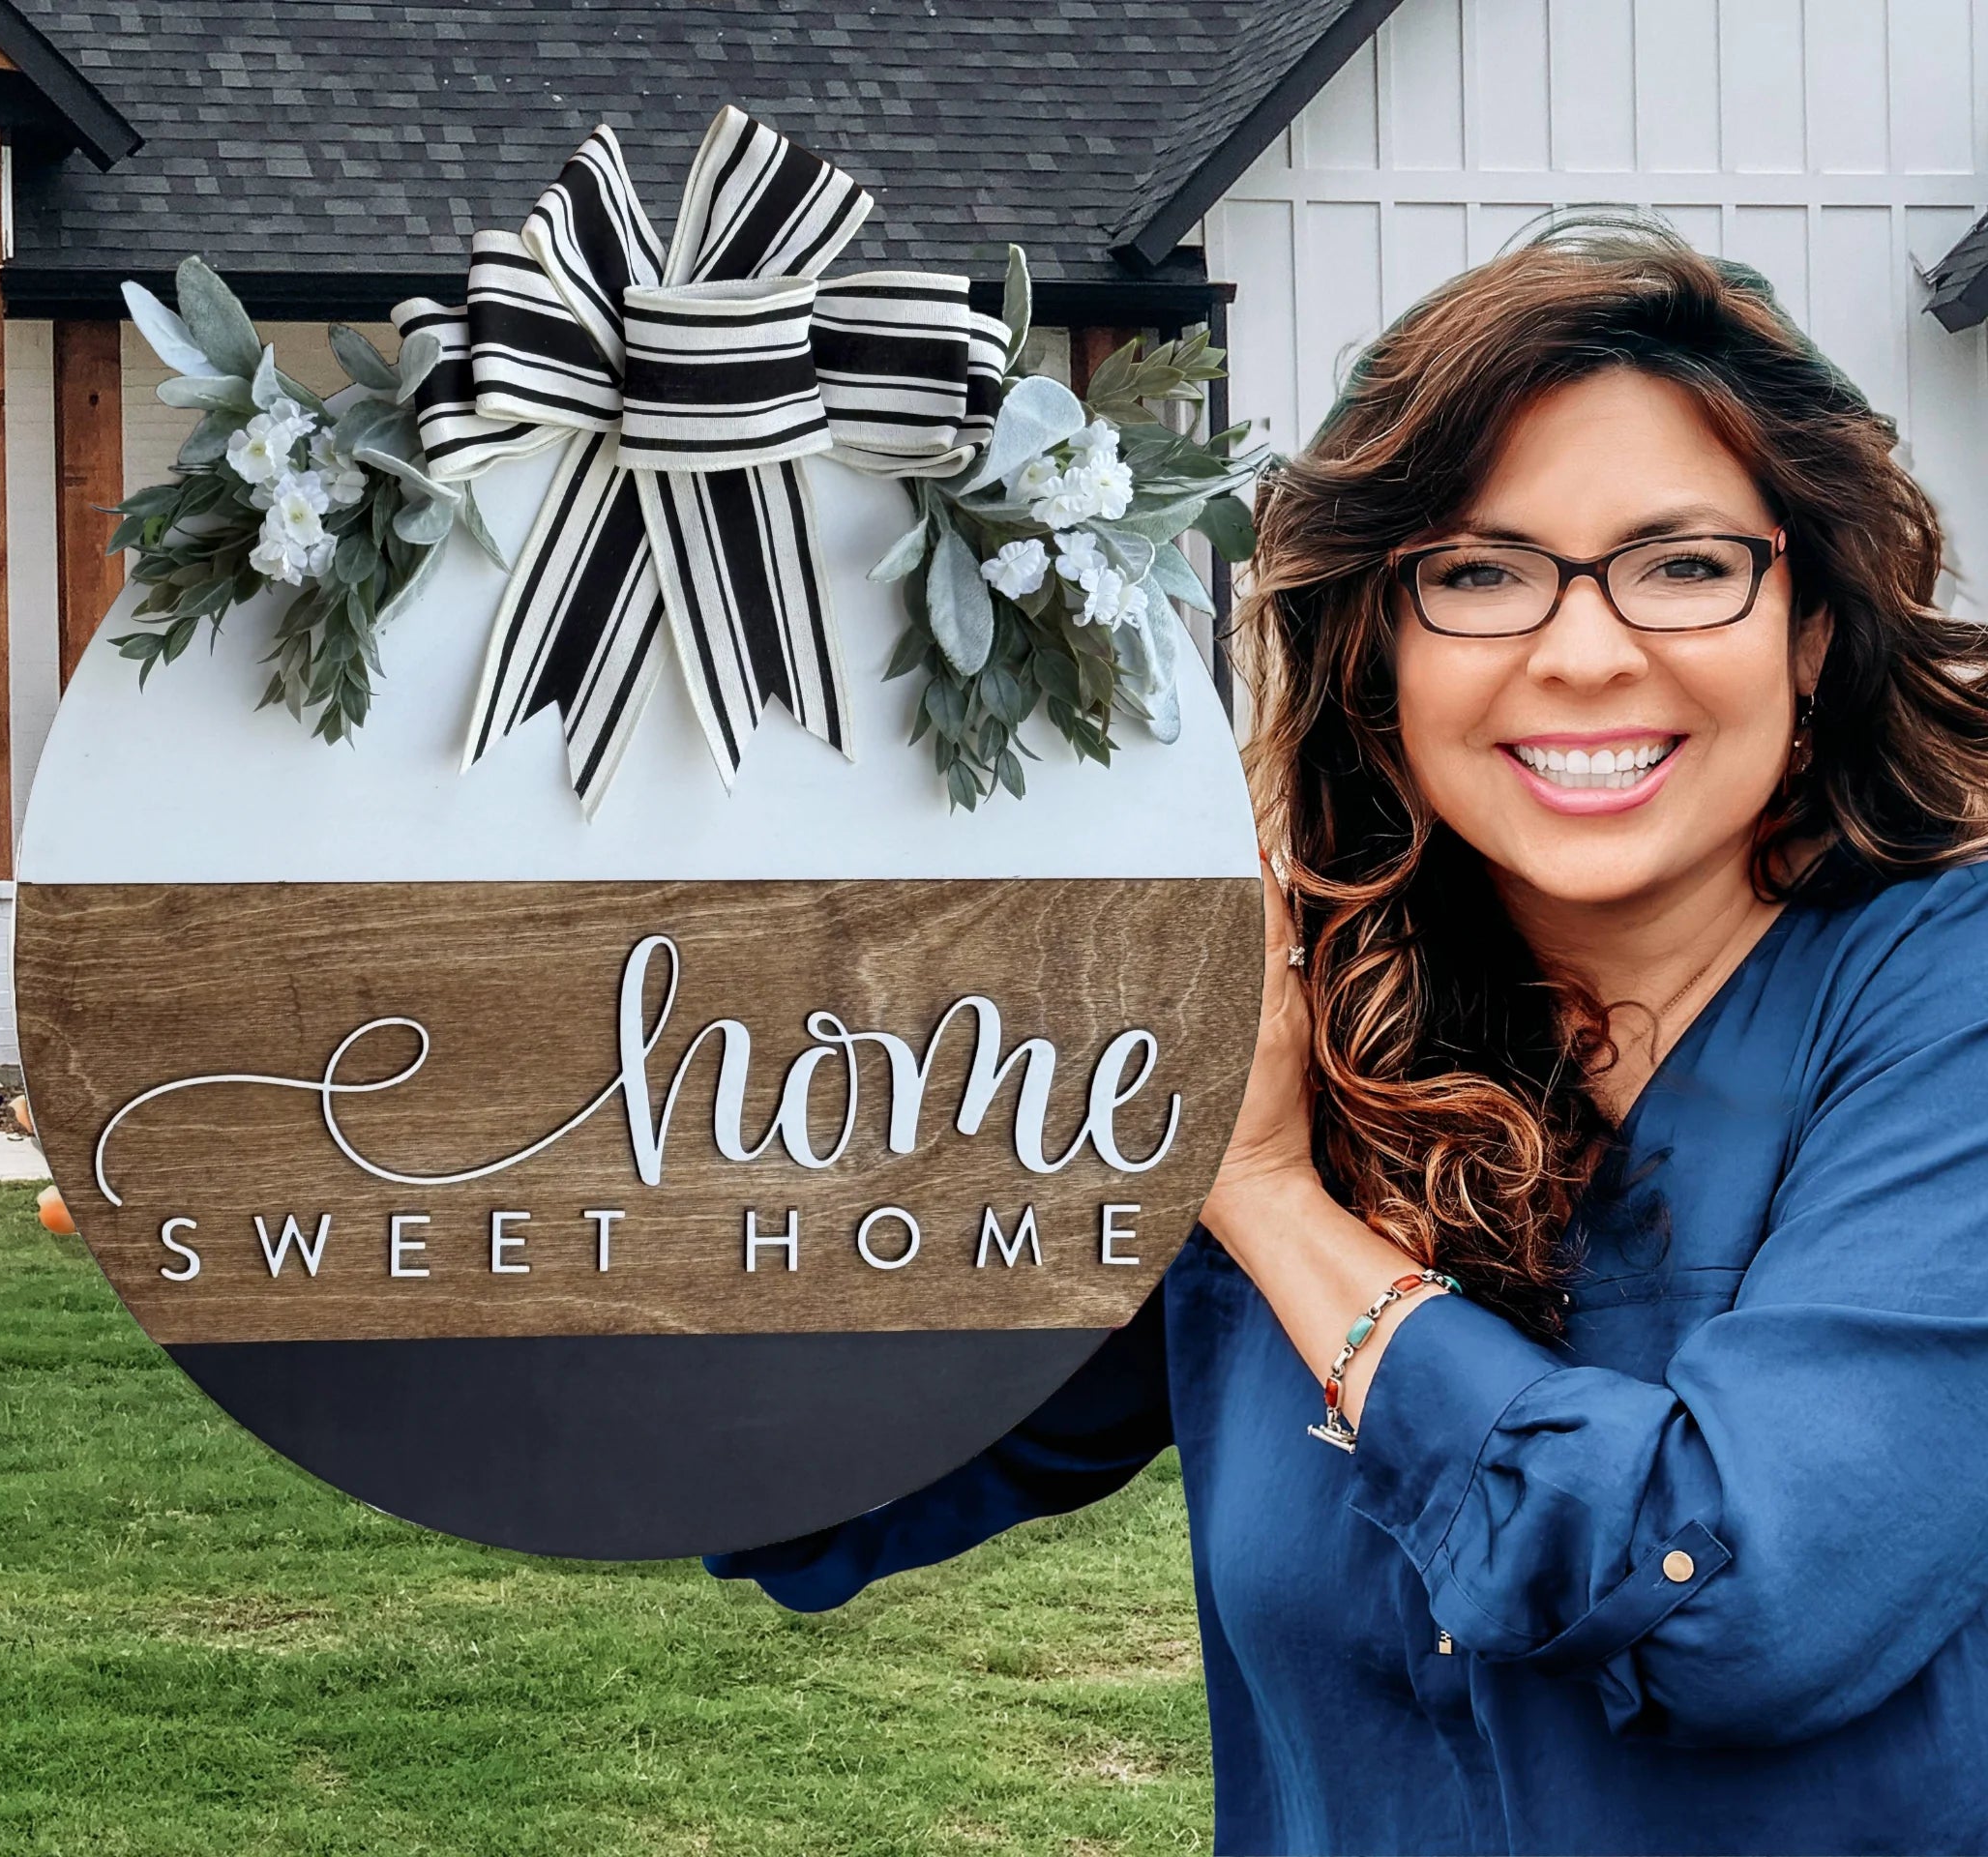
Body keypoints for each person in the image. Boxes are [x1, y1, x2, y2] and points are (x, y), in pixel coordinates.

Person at [707, 217, 1988, 1855]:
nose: (1585, 652)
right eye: (1476, 573)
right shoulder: (1308, 1021)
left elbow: (1737, 1601)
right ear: (1376, 651)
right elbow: (826, 1469)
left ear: (1808, 631)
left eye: (1684, 564)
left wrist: (1269, 1202)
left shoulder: (1938, 1008)